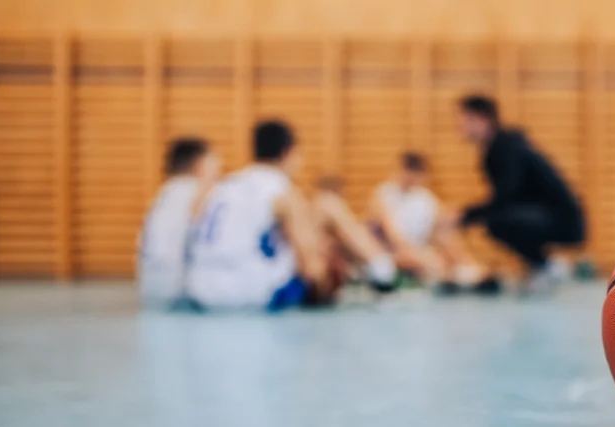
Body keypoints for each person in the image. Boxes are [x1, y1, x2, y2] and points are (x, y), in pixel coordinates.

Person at [185, 121, 396, 311]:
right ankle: (383, 272)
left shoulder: (225, 186)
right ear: (289, 153)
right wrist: (328, 285)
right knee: (327, 204)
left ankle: (379, 269)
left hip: (200, 291)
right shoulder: (281, 191)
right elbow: (311, 267)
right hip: (248, 294)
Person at [456, 95, 585, 291]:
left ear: (480, 119)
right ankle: (543, 266)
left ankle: (548, 266)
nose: (459, 126)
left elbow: (505, 198)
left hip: (564, 220)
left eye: (463, 120)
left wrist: (465, 215)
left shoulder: (505, 148)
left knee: (497, 221)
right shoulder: (499, 147)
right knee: (497, 219)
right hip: (545, 215)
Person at [367, 152, 497, 293]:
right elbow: (394, 237)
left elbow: (443, 232)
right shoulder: (383, 195)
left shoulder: (425, 198)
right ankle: (452, 276)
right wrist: (422, 255)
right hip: (391, 252)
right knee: (429, 260)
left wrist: (463, 259)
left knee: (444, 236)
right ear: (402, 171)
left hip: (418, 252)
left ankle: (466, 269)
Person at [138, 137, 220, 308]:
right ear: (200, 164)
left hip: (151, 288)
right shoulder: (198, 193)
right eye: (214, 161)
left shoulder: (165, 194)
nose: (219, 167)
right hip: (179, 291)